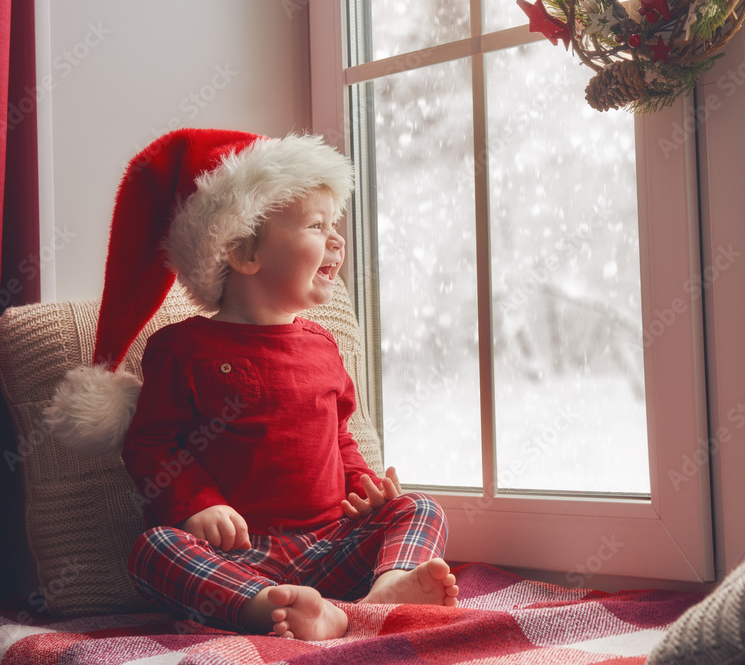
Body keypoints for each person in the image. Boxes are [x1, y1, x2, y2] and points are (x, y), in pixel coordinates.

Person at [47, 129, 457, 640]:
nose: (337, 240)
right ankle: (269, 610)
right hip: (236, 557)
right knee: (154, 548)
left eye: (336, 225)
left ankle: (384, 593)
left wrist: (362, 488)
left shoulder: (323, 346)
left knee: (418, 507)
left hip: (331, 544)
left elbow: (340, 439)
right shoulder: (184, 349)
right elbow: (151, 444)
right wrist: (196, 502)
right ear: (243, 252)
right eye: (315, 225)